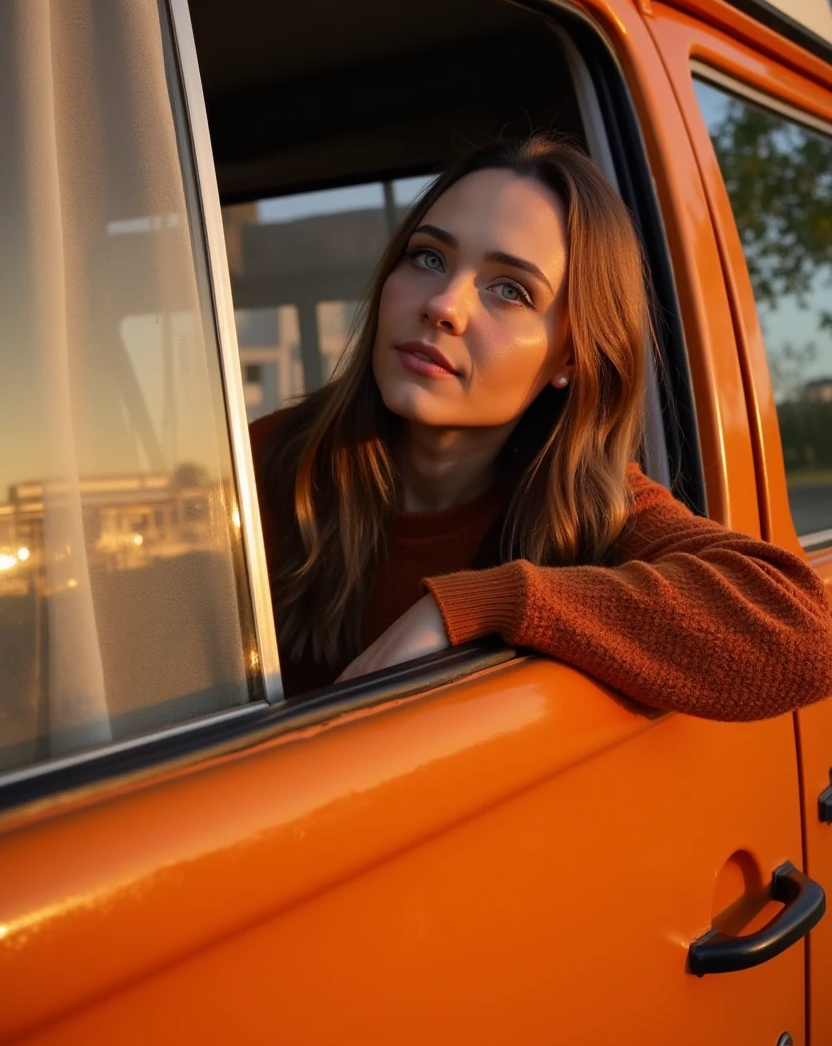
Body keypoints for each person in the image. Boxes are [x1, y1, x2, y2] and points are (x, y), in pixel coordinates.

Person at [249, 135, 832, 719]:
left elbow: (807, 632)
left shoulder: (593, 510)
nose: (444, 304)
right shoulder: (263, 464)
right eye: (429, 257)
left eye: (511, 290)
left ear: (570, 358)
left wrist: (488, 602)